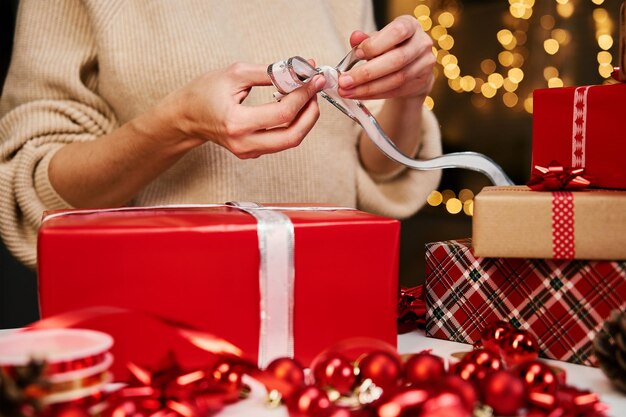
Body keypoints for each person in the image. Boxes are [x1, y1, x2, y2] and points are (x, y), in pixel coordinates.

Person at [0, 0, 442, 269]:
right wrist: (178, 124)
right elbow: (39, 187)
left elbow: (375, 168)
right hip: (159, 321)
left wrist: (408, 94)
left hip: (328, 301)